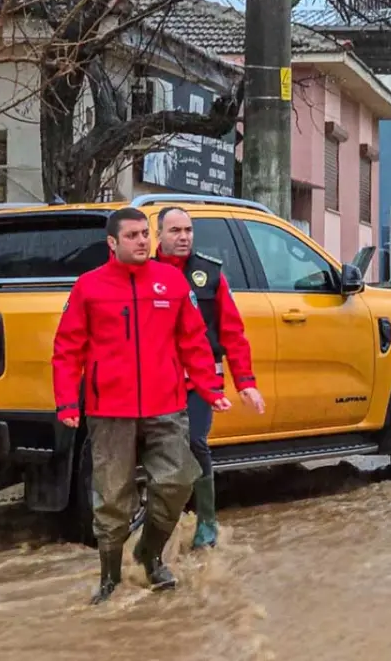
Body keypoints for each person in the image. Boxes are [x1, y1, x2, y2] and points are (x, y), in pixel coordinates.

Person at [52, 206, 232, 605]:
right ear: (112, 243)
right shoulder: (89, 286)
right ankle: (109, 579)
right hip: (109, 410)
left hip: (166, 405)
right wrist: (66, 402)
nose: (142, 241)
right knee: (112, 497)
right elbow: (67, 348)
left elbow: (193, 340)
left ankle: (149, 553)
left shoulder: (170, 281)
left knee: (177, 482)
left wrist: (209, 387)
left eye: (144, 234)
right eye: (132, 236)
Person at [154, 206, 265, 549]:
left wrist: (245, 382)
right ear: (159, 234)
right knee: (156, 448)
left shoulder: (210, 274)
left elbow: (233, 332)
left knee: (195, 441)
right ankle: (160, 524)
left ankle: (206, 520)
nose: (183, 237)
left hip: (200, 383)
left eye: (188, 230)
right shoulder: (144, 272)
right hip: (157, 381)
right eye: (175, 231)